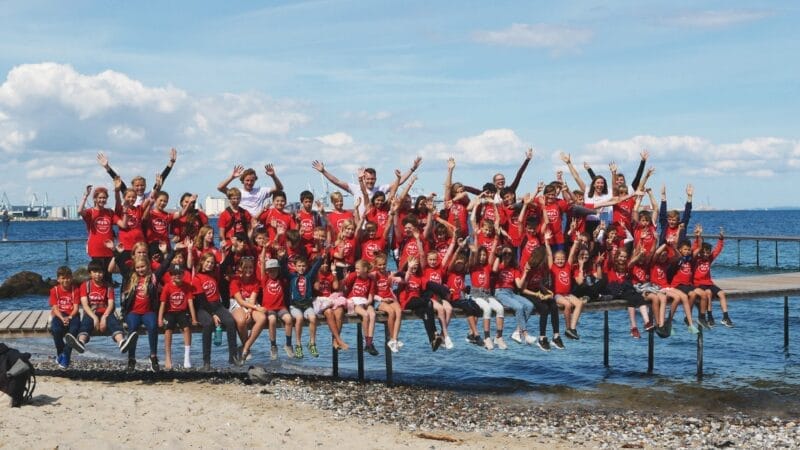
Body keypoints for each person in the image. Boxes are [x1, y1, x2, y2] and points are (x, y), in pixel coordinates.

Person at [115, 245, 173, 372]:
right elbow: (121, 264)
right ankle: (131, 358)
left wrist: (172, 251)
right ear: (135, 268)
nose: (140, 269)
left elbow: (164, 266)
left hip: (148, 312)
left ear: (148, 266)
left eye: (143, 267)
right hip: (133, 312)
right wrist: (117, 252)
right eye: (138, 267)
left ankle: (153, 357)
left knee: (153, 326)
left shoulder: (153, 278)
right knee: (133, 329)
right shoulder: (130, 277)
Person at [64, 261, 137, 357]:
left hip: (105, 311)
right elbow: (85, 305)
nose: (98, 275)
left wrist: (104, 317)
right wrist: (94, 318)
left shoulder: (108, 287)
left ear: (103, 273)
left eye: (100, 272)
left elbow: (111, 304)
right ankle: (81, 343)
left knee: (113, 323)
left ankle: (122, 343)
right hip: (91, 312)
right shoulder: (85, 286)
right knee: (86, 324)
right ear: (90, 273)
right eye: (95, 272)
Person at [312, 157, 421, 213]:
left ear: (376, 179)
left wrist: (412, 169)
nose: (370, 181)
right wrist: (323, 171)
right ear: (363, 178)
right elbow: (337, 181)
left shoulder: (380, 189)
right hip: (360, 225)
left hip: (374, 227)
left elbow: (399, 182)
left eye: (372, 179)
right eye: (368, 179)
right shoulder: (355, 188)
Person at [192, 252, 240, 369]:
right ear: (202, 262)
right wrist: (213, 315)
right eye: (207, 262)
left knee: (230, 322)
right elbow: (202, 300)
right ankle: (206, 362)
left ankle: (233, 357)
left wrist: (230, 249)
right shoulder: (197, 278)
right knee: (208, 324)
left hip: (217, 305)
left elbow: (224, 265)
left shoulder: (214, 275)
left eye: (212, 263)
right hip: (203, 308)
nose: (209, 264)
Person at [96, 148, 177, 206]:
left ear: (145, 186)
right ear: (132, 186)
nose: (140, 188)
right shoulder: (129, 196)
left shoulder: (149, 195)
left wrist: (171, 162)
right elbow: (118, 181)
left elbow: (161, 180)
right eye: (137, 186)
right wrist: (107, 167)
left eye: (142, 185)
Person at [158, 264, 199, 370]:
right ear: (170, 275)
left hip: (182, 311)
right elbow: (162, 304)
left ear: (183, 274)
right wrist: (159, 319)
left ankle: (187, 357)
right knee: (168, 330)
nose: (177, 276)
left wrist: (194, 318)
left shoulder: (186, 286)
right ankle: (168, 357)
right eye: (174, 274)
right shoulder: (167, 286)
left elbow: (190, 303)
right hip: (170, 312)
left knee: (186, 328)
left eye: (179, 273)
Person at [545, 234, 585, 340]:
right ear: (554, 260)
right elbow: (549, 254)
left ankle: (572, 328)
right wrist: (546, 242)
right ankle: (567, 328)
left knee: (580, 303)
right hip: (557, 295)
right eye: (557, 259)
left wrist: (576, 241)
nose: (560, 261)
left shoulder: (567, 266)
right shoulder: (552, 267)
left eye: (562, 259)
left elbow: (571, 254)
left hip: (567, 294)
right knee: (567, 304)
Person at [693, 225, 734, 328]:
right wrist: (698, 237)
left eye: (708, 252)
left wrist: (721, 239)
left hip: (709, 283)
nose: (706, 254)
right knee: (708, 293)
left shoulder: (709, 259)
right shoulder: (695, 260)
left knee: (722, 294)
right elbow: (695, 248)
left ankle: (726, 317)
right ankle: (710, 316)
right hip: (698, 283)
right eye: (704, 252)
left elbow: (718, 250)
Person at [492, 245, 534, 346]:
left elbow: (519, 285)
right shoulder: (499, 265)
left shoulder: (513, 269)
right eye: (505, 254)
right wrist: (498, 255)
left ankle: (517, 332)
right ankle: (525, 333)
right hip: (500, 292)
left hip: (511, 293)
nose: (507, 256)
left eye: (509, 254)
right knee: (519, 307)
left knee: (529, 305)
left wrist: (525, 272)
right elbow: (494, 269)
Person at [284, 255, 324, 358]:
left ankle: (312, 343)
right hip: (295, 306)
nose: (301, 268)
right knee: (299, 318)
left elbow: (316, 267)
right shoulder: (292, 277)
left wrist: (322, 257)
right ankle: (298, 345)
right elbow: (283, 269)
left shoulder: (308, 277)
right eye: (299, 266)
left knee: (313, 318)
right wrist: (282, 257)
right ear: (295, 267)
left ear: (306, 267)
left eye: (303, 266)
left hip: (307, 305)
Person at [78, 185, 116, 282]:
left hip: (109, 250)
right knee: (97, 277)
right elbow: (79, 211)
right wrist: (85, 196)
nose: (102, 200)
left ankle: (109, 296)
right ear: (95, 199)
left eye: (104, 198)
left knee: (108, 277)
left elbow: (121, 223)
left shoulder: (110, 212)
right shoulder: (90, 212)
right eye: (100, 198)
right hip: (96, 250)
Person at [217, 164, 284, 216]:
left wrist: (273, 176)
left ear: (255, 180)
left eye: (252, 180)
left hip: (258, 226)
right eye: (247, 180)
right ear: (243, 180)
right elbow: (220, 188)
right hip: (243, 226)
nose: (249, 183)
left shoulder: (261, 191)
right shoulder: (237, 192)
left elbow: (279, 188)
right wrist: (232, 177)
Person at [342, 259, 379, 356]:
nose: (356, 270)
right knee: (365, 315)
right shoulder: (354, 276)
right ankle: (367, 342)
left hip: (364, 301)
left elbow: (370, 297)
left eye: (358, 269)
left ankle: (370, 342)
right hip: (353, 301)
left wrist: (367, 303)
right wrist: (345, 278)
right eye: (355, 269)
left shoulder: (371, 280)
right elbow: (344, 285)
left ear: (365, 269)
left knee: (373, 315)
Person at [371, 252, 404, 352]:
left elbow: (403, 277)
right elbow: (371, 293)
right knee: (391, 312)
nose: (382, 266)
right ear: (376, 265)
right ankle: (391, 338)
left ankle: (395, 338)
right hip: (380, 300)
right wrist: (381, 299)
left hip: (390, 298)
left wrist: (396, 276)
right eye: (380, 265)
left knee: (399, 311)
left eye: (384, 264)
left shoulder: (389, 273)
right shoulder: (374, 275)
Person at [49, 266, 80, 369]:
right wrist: (62, 318)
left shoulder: (75, 289)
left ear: (71, 278)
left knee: (74, 330)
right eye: (63, 278)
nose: (66, 280)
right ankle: (61, 353)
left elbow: (76, 308)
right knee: (56, 330)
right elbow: (55, 308)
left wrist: (70, 317)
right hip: (59, 315)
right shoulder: (54, 290)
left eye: (68, 278)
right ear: (58, 279)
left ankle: (66, 355)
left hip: (72, 315)